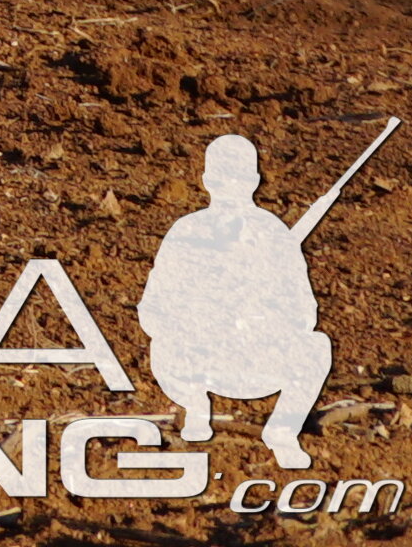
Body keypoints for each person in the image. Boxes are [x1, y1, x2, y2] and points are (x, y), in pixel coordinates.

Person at [140, 130, 339, 466]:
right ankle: (196, 406)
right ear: (207, 181)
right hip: (199, 358)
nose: (230, 187)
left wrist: (259, 314)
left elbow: (306, 314)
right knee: (162, 345)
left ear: (254, 181)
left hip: (256, 357)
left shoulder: (275, 235)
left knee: (317, 347)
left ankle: (282, 432)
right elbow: (152, 310)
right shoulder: (185, 233)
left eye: (238, 178)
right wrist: (201, 315)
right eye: (223, 178)